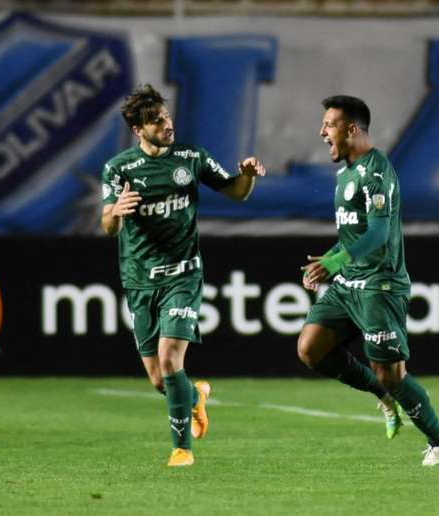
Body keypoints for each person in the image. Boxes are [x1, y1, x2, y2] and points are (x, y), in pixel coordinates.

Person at [101, 84, 265, 467]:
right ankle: (196, 398)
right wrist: (117, 211)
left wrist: (247, 175)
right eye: (156, 121)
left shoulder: (191, 158)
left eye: (166, 116)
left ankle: (181, 450)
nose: (166, 124)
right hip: (140, 280)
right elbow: (107, 225)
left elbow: (236, 192)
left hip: (183, 275)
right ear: (138, 130)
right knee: (160, 379)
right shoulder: (119, 168)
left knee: (171, 359)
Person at [298, 95, 439, 466]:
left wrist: (336, 261)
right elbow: (353, 235)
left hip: (379, 286)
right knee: (310, 349)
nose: (322, 132)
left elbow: (378, 234)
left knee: (392, 374)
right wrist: (328, 260)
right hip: (347, 287)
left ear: (351, 129)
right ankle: (383, 398)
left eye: (329, 124)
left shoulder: (377, 171)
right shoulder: (345, 175)